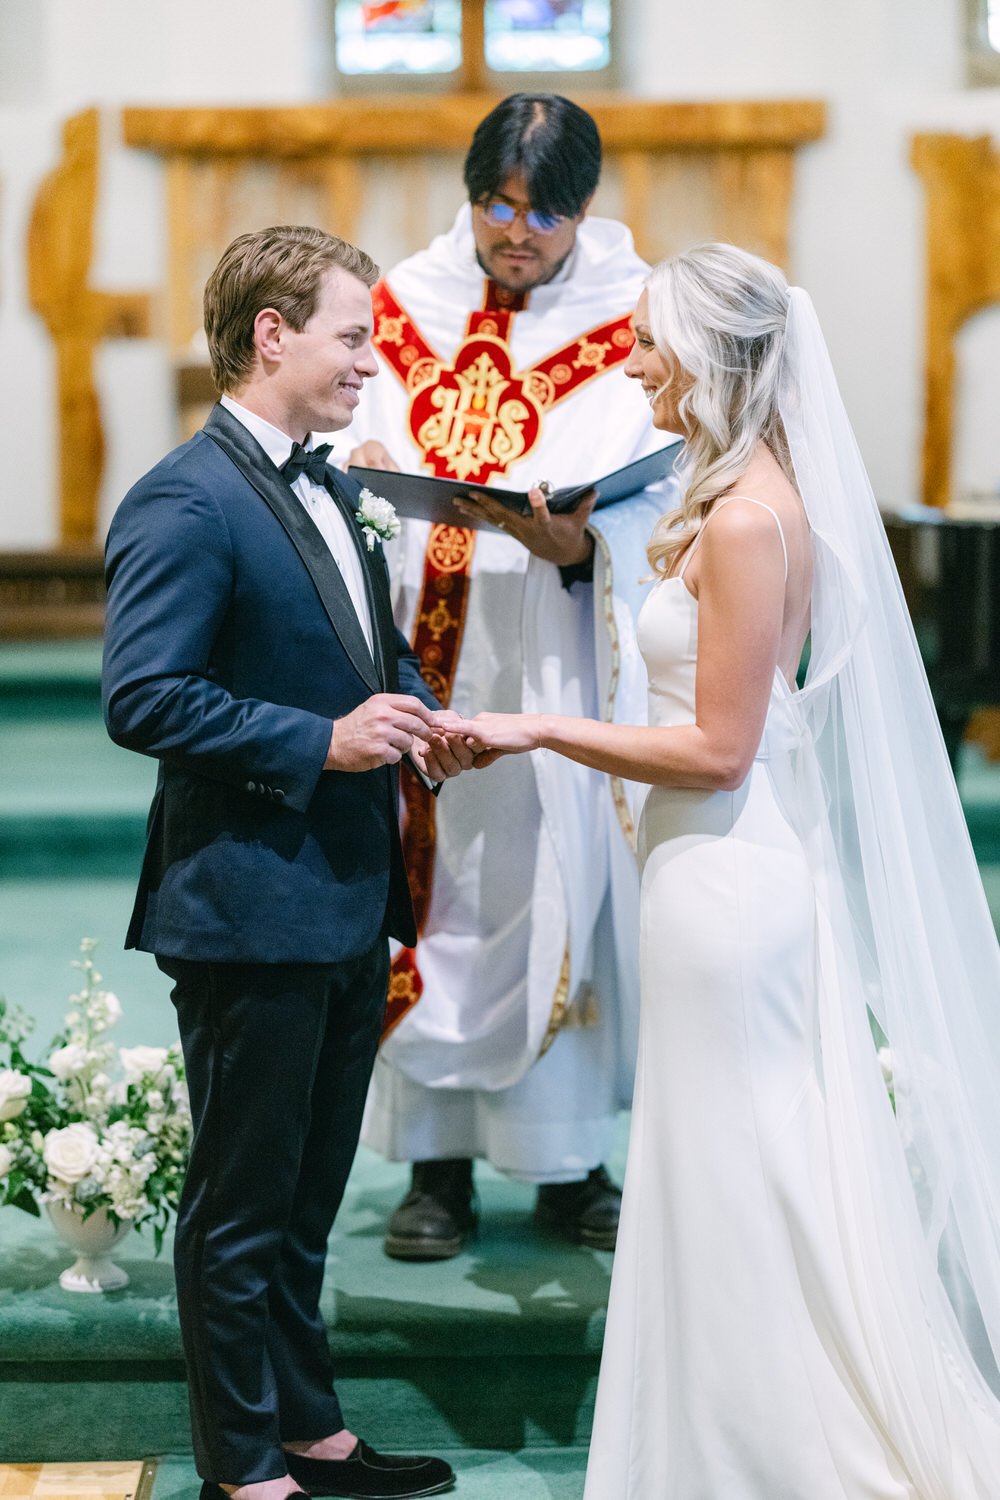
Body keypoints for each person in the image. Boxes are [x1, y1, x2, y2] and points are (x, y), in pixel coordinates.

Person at [464, 243, 1000, 1496]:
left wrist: (534, 726)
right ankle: (716, 1437)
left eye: (651, 341)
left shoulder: (752, 519)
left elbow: (717, 747)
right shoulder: (732, 496)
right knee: (718, 1158)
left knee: (739, 1164)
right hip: (699, 871)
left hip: (725, 878)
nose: (634, 361)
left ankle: (769, 1449)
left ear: (710, 356)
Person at [102, 225, 467, 1500]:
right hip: (246, 901)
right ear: (273, 335)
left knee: (309, 1201)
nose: (374, 360)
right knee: (242, 1206)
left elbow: (361, 658)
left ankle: (311, 1433)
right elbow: (143, 697)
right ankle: (241, 1467)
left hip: (344, 893)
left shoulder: (336, 486)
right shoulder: (184, 498)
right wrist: (323, 740)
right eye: (354, 336)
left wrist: (416, 716)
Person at [333, 92, 675, 1261]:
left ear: (584, 209)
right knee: (435, 897)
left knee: (556, 882)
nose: (515, 231)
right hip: (414, 656)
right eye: (495, 204)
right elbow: (333, 439)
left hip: (552, 658)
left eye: (542, 212)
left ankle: (566, 1165)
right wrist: (354, 467)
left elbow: (670, 492)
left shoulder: (635, 316)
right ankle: (437, 1168)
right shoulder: (396, 305)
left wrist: (581, 544)